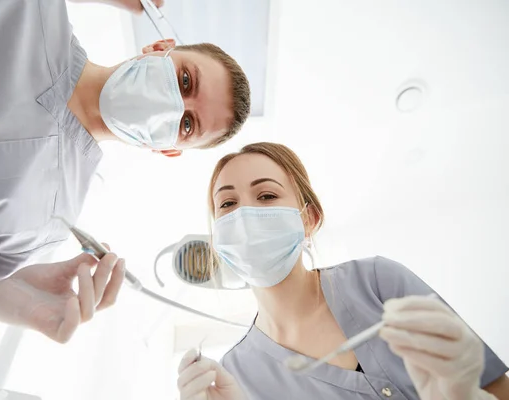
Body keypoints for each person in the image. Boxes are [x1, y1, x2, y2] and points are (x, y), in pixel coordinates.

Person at [0, 0, 251, 297]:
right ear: (159, 46)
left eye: (186, 124)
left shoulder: (47, 224)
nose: (171, 106)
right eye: (185, 80)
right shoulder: (32, 9)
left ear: (167, 150)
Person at [176, 142, 509, 399]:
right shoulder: (237, 374)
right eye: (228, 204)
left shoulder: (378, 281)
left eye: (266, 195)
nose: (245, 216)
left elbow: (496, 387)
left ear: (309, 220)